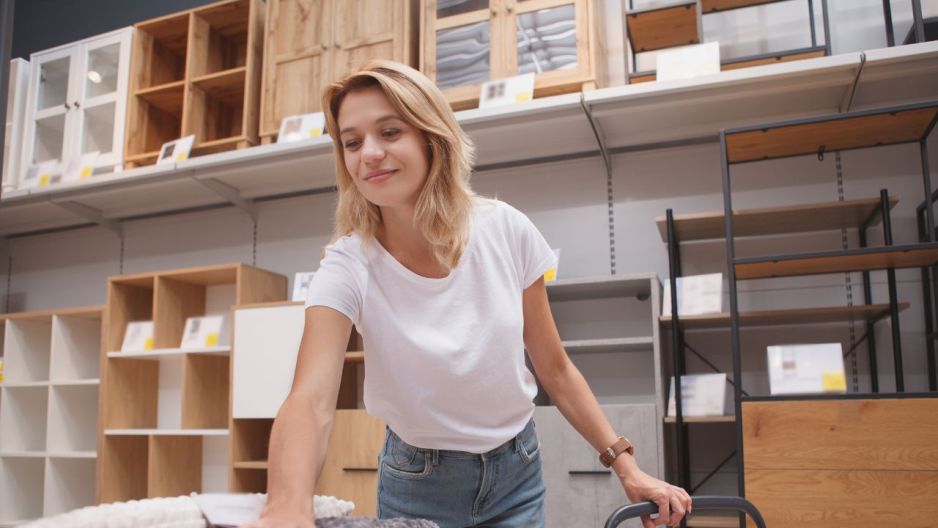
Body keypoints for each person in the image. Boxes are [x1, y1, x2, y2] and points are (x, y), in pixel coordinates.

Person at [246, 60, 691, 528]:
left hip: (518, 472)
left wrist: (627, 466)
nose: (369, 153)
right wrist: (287, 508)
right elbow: (310, 398)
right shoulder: (348, 263)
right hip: (417, 481)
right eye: (352, 142)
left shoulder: (505, 229)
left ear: (430, 137)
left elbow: (555, 369)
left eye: (390, 132)